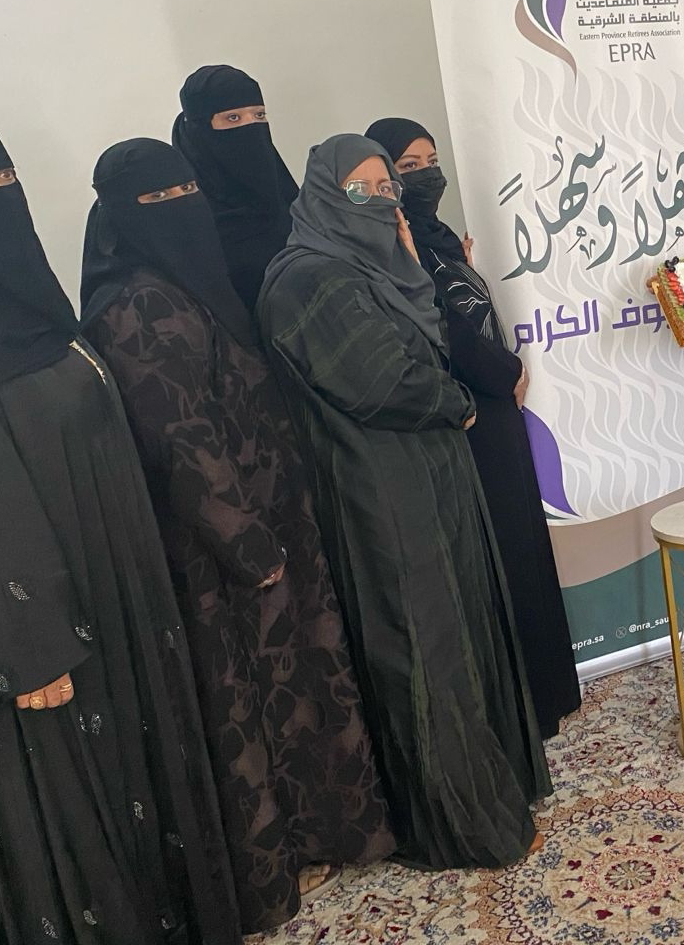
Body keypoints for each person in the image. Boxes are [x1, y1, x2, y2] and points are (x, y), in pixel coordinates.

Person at [0, 114, 240, 945]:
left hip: (109, 587)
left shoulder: (30, 310)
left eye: (3, 181)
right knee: (90, 818)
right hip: (39, 639)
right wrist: (30, 649)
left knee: (149, 788)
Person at [80, 138, 395, 930]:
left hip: (273, 520)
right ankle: (270, 870)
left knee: (300, 686)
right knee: (250, 706)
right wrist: (247, 545)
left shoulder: (194, 283)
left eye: (186, 190)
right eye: (159, 200)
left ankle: (322, 833)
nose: (181, 209)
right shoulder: (136, 305)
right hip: (223, 551)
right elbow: (179, 440)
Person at [258, 133, 551, 868]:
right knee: (424, 651)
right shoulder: (309, 279)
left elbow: (431, 338)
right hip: (381, 487)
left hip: (428, 474)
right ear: (324, 195)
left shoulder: (380, 268)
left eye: (387, 186)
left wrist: (417, 269)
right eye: (362, 190)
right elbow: (384, 381)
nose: (383, 200)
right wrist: (460, 404)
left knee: (460, 635)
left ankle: (493, 791)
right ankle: (462, 826)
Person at [364, 117, 582, 739]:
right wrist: (506, 370)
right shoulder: (391, 251)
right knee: (498, 554)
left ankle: (546, 692)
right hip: (466, 418)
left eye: (431, 162)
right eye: (407, 167)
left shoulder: (434, 239)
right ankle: (519, 706)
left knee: (522, 544)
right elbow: (441, 331)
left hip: (496, 411)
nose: (425, 175)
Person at [171, 64, 298, 313]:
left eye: (259, 115)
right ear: (199, 128)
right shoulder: (190, 219)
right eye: (233, 118)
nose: (251, 127)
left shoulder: (284, 195)